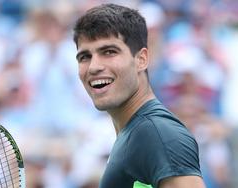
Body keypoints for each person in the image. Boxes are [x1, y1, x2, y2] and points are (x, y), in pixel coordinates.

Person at [73, 3, 206, 188]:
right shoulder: (139, 132)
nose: (94, 66)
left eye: (109, 52)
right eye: (84, 57)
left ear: (141, 60)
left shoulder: (158, 134)